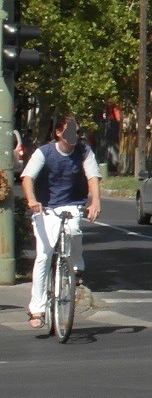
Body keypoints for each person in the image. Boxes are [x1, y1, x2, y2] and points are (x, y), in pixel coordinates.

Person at [21, 114, 102, 330]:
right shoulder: (44, 152)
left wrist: (95, 202)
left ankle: (76, 268)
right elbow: (27, 177)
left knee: (74, 230)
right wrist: (31, 200)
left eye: (76, 131)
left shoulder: (84, 151)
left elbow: (93, 177)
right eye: (69, 131)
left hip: (71, 204)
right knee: (44, 255)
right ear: (58, 133)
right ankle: (36, 308)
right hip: (45, 207)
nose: (74, 135)